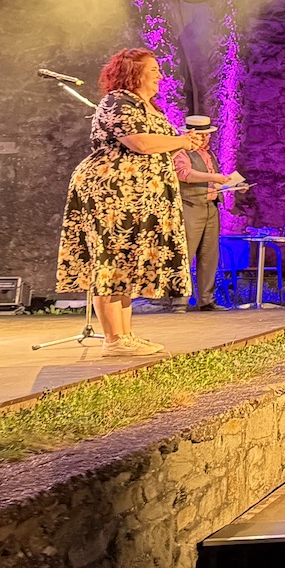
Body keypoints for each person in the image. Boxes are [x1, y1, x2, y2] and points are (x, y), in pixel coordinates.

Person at [54, 49, 205, 356]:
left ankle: (125, 334)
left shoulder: (148, 107)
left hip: (139, 197)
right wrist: (180, 141)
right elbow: (139, 142)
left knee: (126, 262)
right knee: (111, 261)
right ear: (133, 73)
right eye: (153, 70)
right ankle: (113, 339)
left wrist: (185, 142)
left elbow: (159, 145)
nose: (159, 75)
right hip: (113, 193)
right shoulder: (117, 101)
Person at [169, 114, 235, 310]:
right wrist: (214, 177)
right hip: (191, 206)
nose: (205, 138)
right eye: (201, 135)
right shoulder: (181, 152)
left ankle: (206, 300)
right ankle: (179, 301)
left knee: (209, 256)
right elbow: (184, 174)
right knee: (185, 253)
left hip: (210, 207)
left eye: (207, 135)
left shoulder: (208, 154)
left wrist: (231, 185)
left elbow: (212, 180)